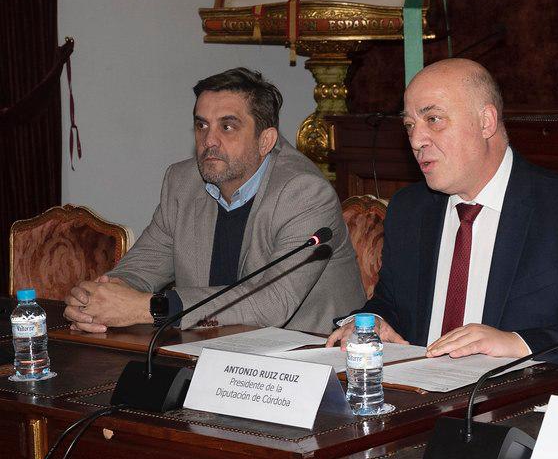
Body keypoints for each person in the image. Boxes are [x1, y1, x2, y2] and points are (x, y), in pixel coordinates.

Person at [326, 58, 558, 375]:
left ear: (486, 122)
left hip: (515, 417)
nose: (416, 140)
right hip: (415, 409)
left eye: (433, 119)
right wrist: (372, 322)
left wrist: (518, 345)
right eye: (410, 125)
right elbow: (392, 305)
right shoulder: (410, 210)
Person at [63, 67, 365, 333]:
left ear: (266, 140)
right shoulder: (182, 183)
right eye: (202, 125)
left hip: (306, 363)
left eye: (227, 126)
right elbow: (142, 267)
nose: (209, 140)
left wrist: (148, 308)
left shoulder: (304, 192)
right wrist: (100, 298)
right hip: (211, 351)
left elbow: (271, 303)